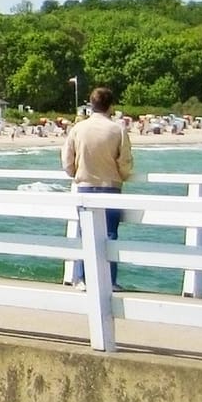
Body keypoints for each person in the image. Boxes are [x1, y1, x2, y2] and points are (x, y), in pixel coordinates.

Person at [62, 85, 134, 284]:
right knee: (109, 236)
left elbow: (67, 160)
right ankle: (108, 282)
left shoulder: (78, 128)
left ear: (91, 104)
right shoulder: (117, 129)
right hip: (110, 187)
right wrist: (123, 176)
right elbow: (125, 161)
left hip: (84, 186)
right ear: (110, 106)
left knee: (87, 235)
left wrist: (75, 173)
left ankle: (85, 280)